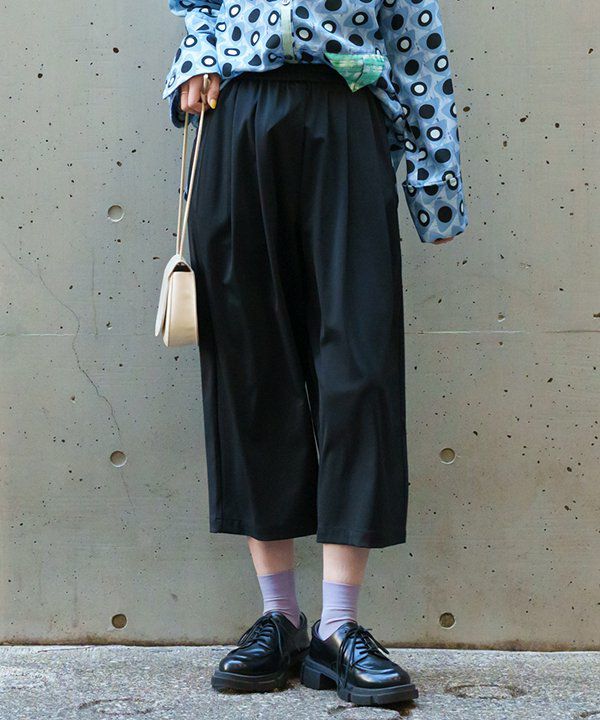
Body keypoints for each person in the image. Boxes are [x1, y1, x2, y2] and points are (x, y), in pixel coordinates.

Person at [161, 0, 468, 707]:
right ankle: (280, 617)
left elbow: (417, 41)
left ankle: (338, 627)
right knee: (250, 367)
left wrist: (436, 183)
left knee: (359, 368)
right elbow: (199, 10)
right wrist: (197, 62)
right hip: (237, 116)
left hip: (346, 112)